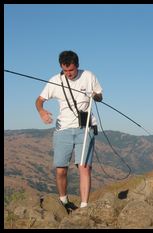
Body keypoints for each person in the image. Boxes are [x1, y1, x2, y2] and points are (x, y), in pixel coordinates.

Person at [35, 50, 103, 210]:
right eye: (65, 71)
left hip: (85, 128)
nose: (68, 74)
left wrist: (96, 96)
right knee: (60, 170)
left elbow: (100, 95)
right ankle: (64, 202)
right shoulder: (55, 80)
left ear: (77, 66)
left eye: (71, 70)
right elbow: (39, 101)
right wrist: (42, 111)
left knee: (84, 168)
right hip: (62, 129)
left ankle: (84, 206)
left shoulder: (88, 76)